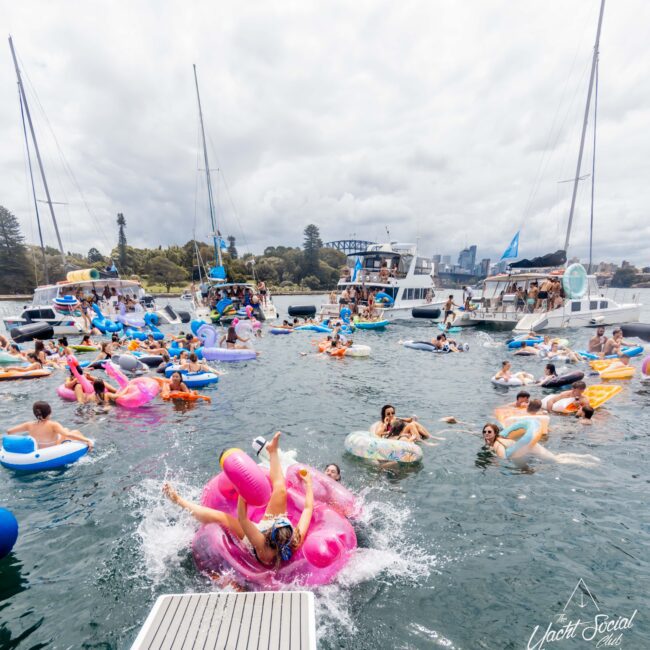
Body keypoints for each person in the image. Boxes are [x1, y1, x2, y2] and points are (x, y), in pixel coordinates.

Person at [163, 431, 313, 568]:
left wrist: (243, 491)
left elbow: (242, 519)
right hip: (270, 529)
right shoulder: (295, 539)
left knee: (223, 517)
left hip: (256, 539)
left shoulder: (262, 545)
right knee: (280, 490)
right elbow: (307, 509)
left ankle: (178, 500)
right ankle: (272, 451)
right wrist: (309, 484)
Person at [481, 422, 598, 465]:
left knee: (556, 461)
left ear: (495, 433)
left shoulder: (497, 444)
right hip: (527, 447)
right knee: (555, 458)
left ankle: (585, 463)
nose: (486, 433)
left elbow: (503, 458)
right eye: (484, 431)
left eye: (489, 432)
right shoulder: (496, 439)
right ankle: (585, 457)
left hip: (530, 448)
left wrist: (492, 461)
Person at [6, 401, 93, 450]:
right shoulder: (53, 424)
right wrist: (87, 440)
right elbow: (68, 435)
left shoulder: (29, 425)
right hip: (52, 449)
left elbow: (9, 431)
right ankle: (89, 449)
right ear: (50, 412)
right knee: (74, 431)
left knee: (65, 429)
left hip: (38, 448)